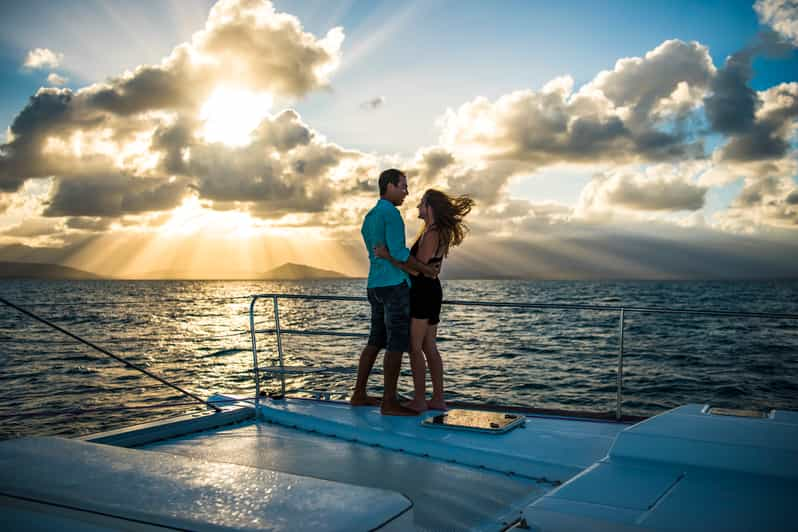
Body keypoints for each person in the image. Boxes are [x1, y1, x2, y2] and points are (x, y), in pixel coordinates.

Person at [351, 169, 442, 416]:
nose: (406, 192)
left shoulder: (369, 216)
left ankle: (359, 393)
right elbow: (400, 254)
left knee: (375, 340)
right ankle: (389, 401)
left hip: (374, 285)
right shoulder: (391, 214)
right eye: (403, 186)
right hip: (393, 286)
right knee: (396, 343)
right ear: (389, 186)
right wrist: (427, 269)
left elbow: (378, 252)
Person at [375, 189, 474, 412]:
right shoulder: (434, 231)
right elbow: (426, 268)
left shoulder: (431, 233)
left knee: (415, 346)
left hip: (422, 292)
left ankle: (420, 399)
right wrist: (422, 268)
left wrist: (387, 256)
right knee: (429, 345)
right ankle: (437, 398)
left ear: (430, 207)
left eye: (421, 203)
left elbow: (417, 268)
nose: (418, 206)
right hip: (430, 290)